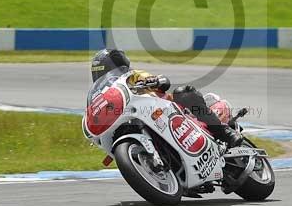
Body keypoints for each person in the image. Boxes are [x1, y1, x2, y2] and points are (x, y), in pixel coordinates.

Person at [89, 48, 243, 147]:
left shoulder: (133, 77)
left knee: (184, 92)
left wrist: (155, 81)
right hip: (138, 120)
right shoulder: (102, 97)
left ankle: (224, 132)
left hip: (170, 112)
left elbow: (163, 82)